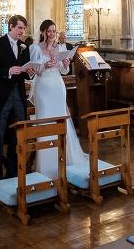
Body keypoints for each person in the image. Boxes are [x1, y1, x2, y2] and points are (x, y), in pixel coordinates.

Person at [29, 20, 86, 178]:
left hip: (58, 87)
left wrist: (66, 63)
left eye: (54, 31)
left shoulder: (60, 47)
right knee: (46, 121)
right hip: (43, 88)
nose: (52, 34)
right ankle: (46, 164)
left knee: (61, 120)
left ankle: (66, 159)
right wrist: (44, 66)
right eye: (49, 31)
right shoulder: (35, 48)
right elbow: (33, 71)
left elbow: (64, 71)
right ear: (43, 32)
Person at [0, 14, 33, 181]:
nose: (22, 31)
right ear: (10, 27)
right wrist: (8, 71)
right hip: (1, 95)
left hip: (18, 94)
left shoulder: (23, 46)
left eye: (24, 29)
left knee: (17, 133)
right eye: (19, 28)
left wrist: (29, 72)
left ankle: (13, 172)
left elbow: (23, 70)